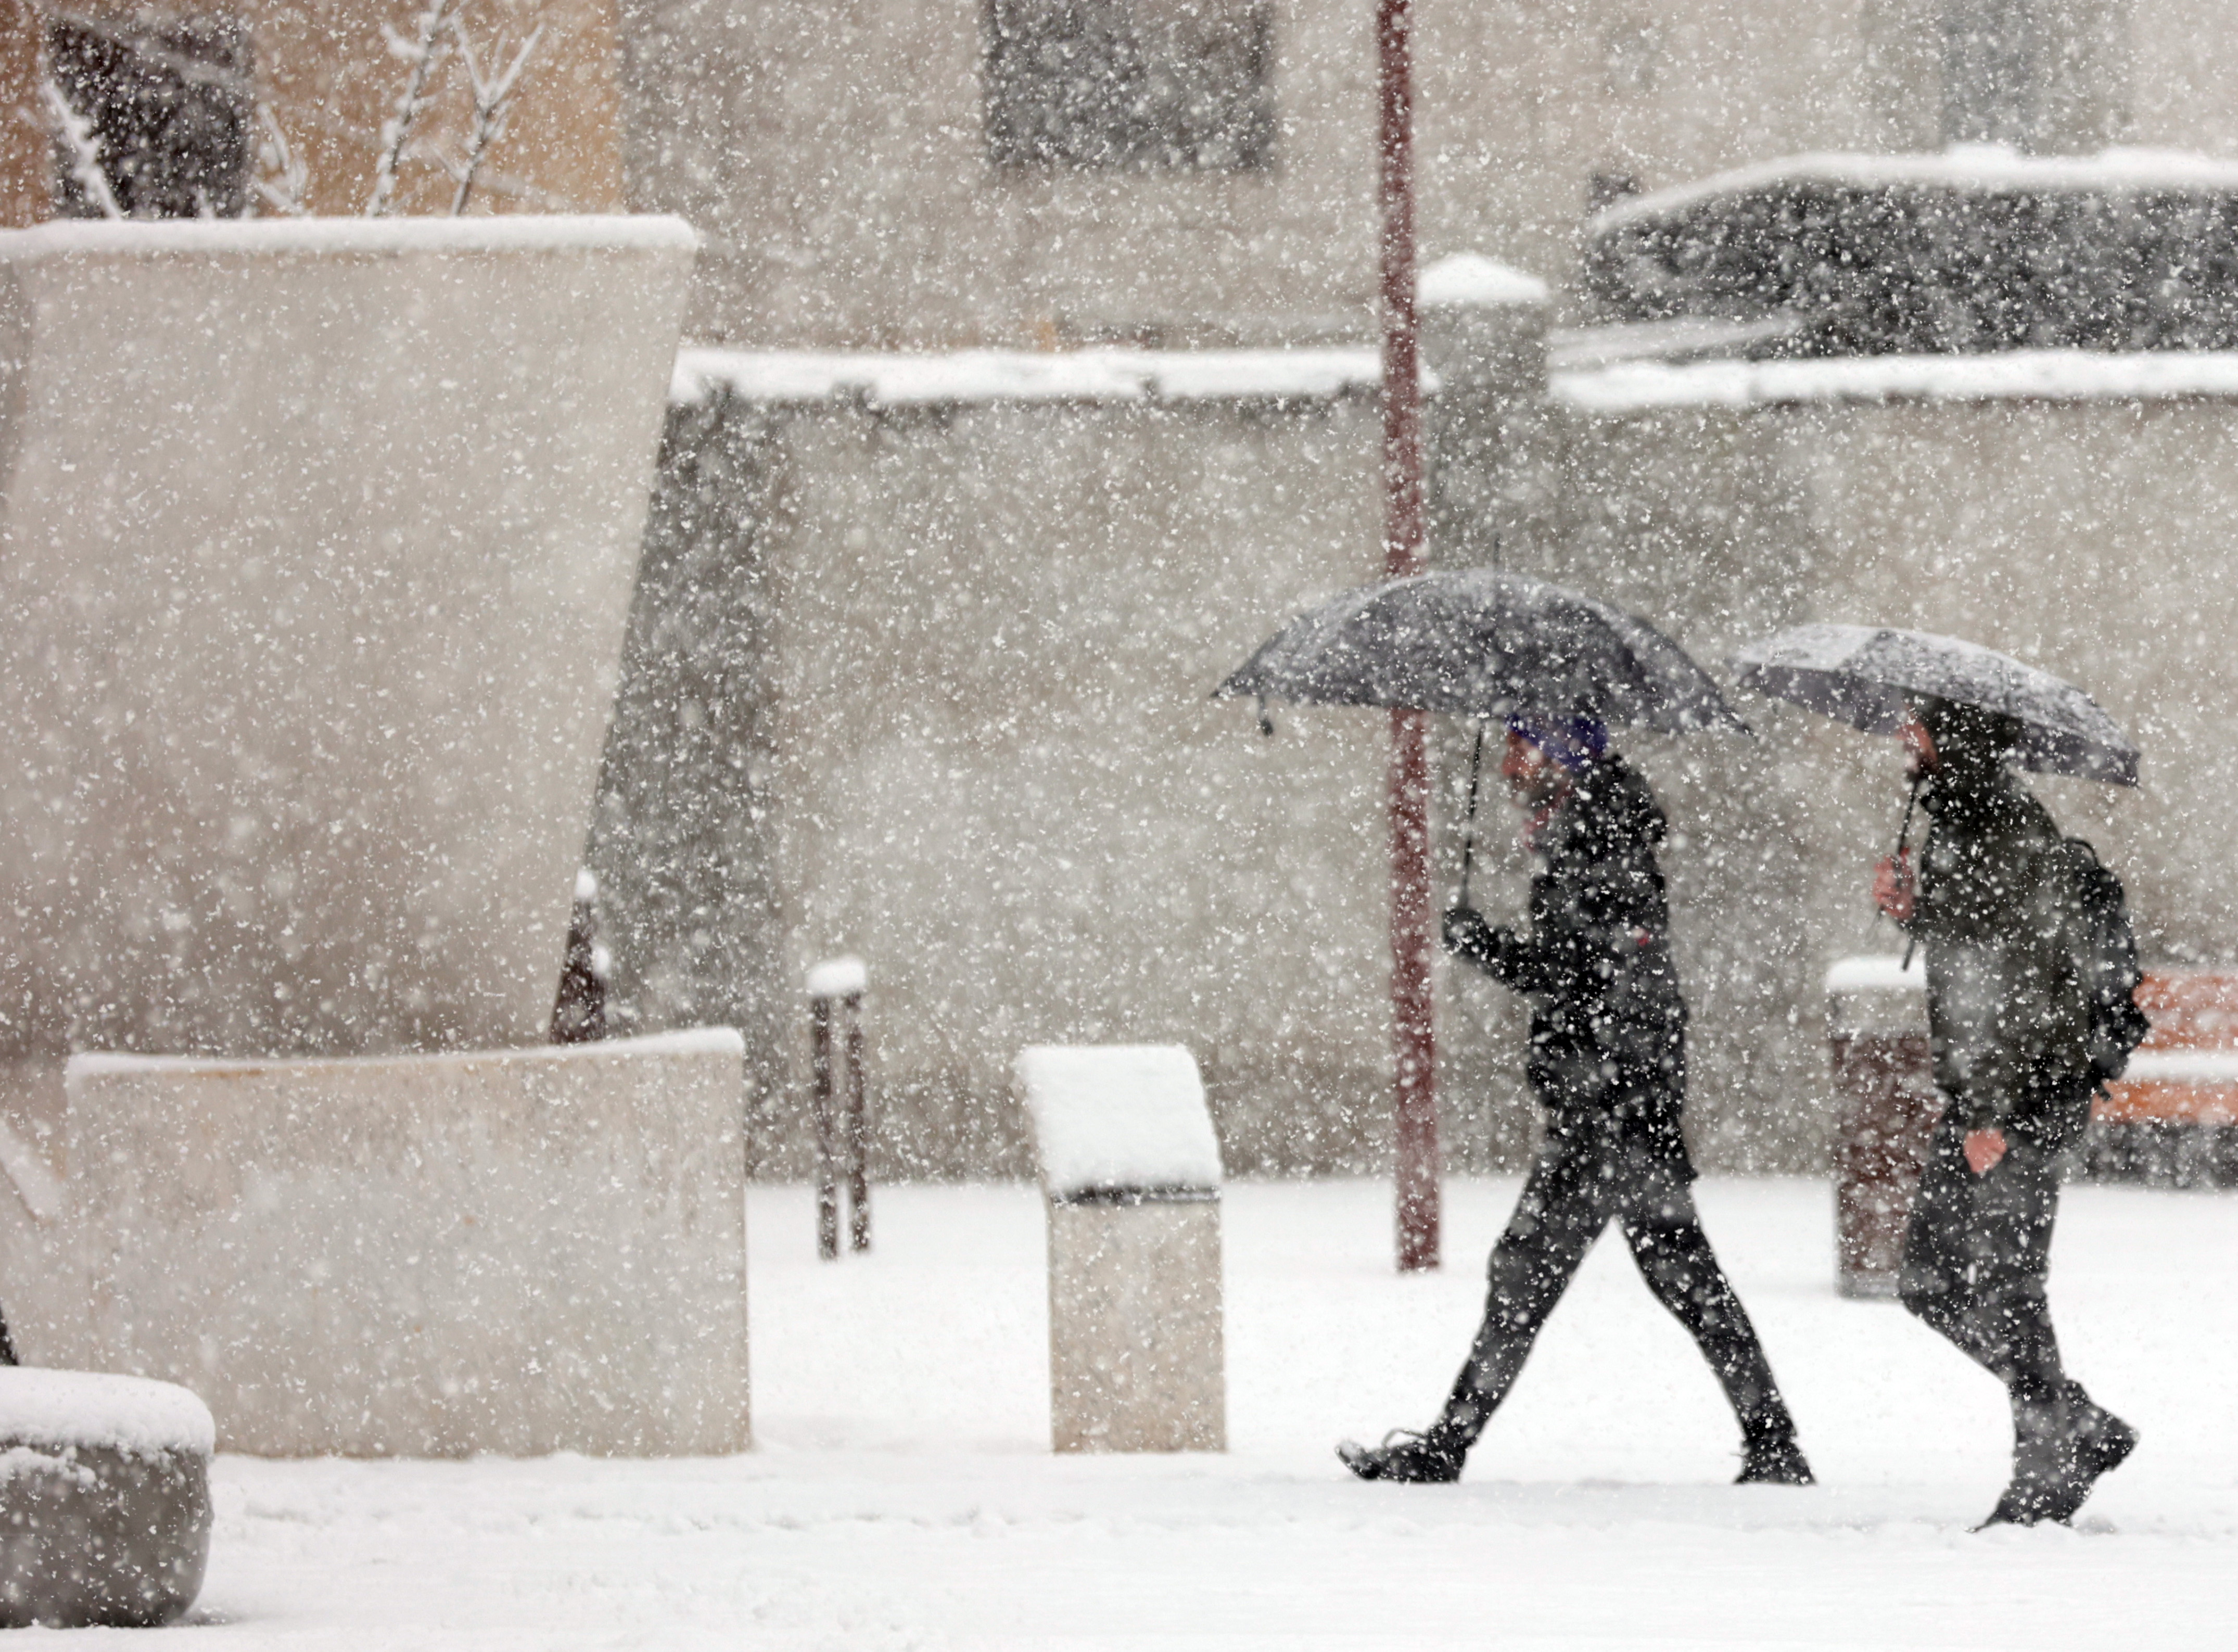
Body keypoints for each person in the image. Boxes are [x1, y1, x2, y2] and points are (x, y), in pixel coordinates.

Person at [1339, 714, 1812, 1486]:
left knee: (1528, 1270)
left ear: (1561, 751)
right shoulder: (1588, 831)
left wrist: (1491, 950)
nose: (1506, 764)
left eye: (1520, 746)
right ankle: (1774, 1442)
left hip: (1610, 1111)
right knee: (1678, 1278)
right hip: (1622, 1107)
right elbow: (1584, 972)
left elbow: (1601, 981)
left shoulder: (1602, 840)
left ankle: (1448, 1447)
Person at [1873, 696, 2139, 1526]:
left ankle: (2048, 1468)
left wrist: (1997, 1112)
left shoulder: (1997, 830)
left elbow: (2015, 989)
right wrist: (1913, 910)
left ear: (1954, 738)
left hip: (2022, 1093)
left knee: (2009, 1282)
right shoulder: (1962, 822)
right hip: (1993, 1090)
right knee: (1929, 1280)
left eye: (1916, 725)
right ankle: (2071, 1419)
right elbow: (1974, 954)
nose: (1903, 738)